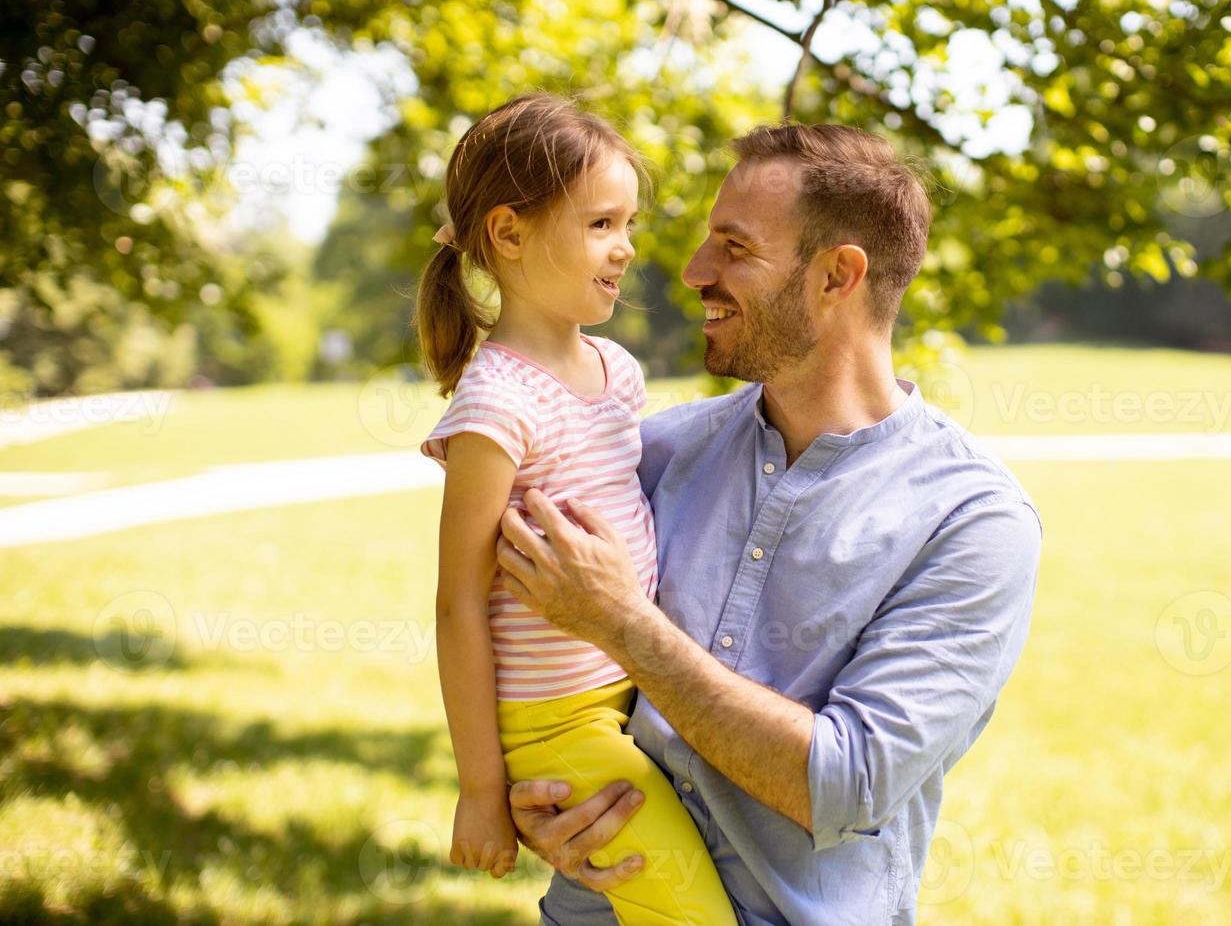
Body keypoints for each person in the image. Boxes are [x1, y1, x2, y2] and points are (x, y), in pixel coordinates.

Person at [493, 122, 1045, 925]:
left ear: (837, 275)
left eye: (734, 248)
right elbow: (532, 654)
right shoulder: (650, 453)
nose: (694, 272)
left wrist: (622, 621)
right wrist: (535, 797)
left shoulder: (972, 521)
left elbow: (845, 785)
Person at [414, 91, 737, 925]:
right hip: (555, 726)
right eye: (599, 225)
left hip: (631, 697)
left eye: (627, 225)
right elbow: (457, 603)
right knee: (693, 914)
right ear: (510, 233)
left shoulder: (615, 373)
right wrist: (483, 790)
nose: (625, 249)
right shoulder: (495, 409)